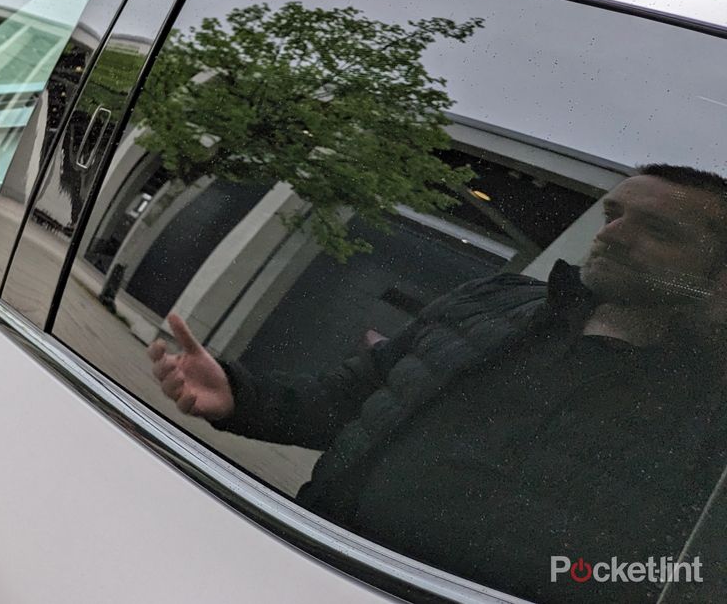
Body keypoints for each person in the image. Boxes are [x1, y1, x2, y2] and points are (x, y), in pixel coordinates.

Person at [148, 165, 727, 602]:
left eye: (657, 229)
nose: (613, 235)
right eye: (613, 215)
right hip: (304, 565)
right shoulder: (493, 302)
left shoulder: (711, 402)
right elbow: (348, 402)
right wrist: (237, 395)